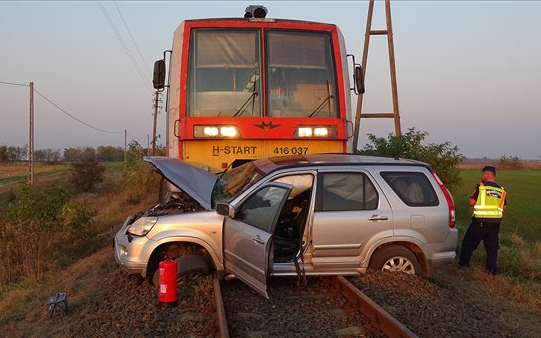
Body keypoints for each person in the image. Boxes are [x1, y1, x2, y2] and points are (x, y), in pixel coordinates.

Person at [459, 165, 507, 274]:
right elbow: (504, 207)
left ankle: (463, 266)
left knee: (468, 243)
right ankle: (491, 269)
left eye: (483, 174)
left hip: (480, 221)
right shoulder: (501, 190)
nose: (482, 176)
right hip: (495, 222)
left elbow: (471, 202)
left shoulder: (481, 187)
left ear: (487, 174)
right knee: (492, 247)